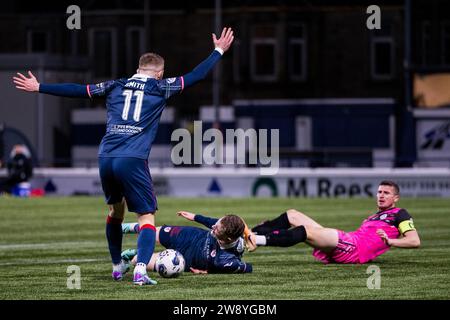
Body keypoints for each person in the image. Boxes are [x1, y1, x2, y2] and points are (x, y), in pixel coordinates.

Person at [13, 27, 235, 285]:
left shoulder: (114, 85)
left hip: (106, 156)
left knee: (115, 211)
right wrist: (218, 50)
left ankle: (118, 265)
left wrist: (39, 86)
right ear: (159, 72)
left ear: (138, 68)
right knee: (147, 217)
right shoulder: (162, 87)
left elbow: (77, 89)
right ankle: (140, 269)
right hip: (132, 159)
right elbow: (195, 76)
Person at [251, 180, 421, 264]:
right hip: (347, 242)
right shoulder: (372, 217)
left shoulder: (400, 214)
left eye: (386, 193)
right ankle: (251, 232)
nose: (381, 195)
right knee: (292, 214)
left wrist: (390, 241)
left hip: (352, 248)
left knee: (305, 231)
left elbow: (414, 241)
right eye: (379, 192)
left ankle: (257, 240)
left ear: (396, 198)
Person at [120, 211, 253, 274]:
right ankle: (121, 228)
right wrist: (195, 217)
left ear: (228, 239)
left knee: (137, 261)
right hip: (188, 235)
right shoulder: (226, 228)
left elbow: (248, 268)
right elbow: (212, 222)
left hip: (181, 259)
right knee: (150, 231)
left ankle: (132, 255)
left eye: (217, 229)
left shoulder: (224, 261)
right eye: (216, 224)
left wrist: (206, 272)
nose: (213, 227)